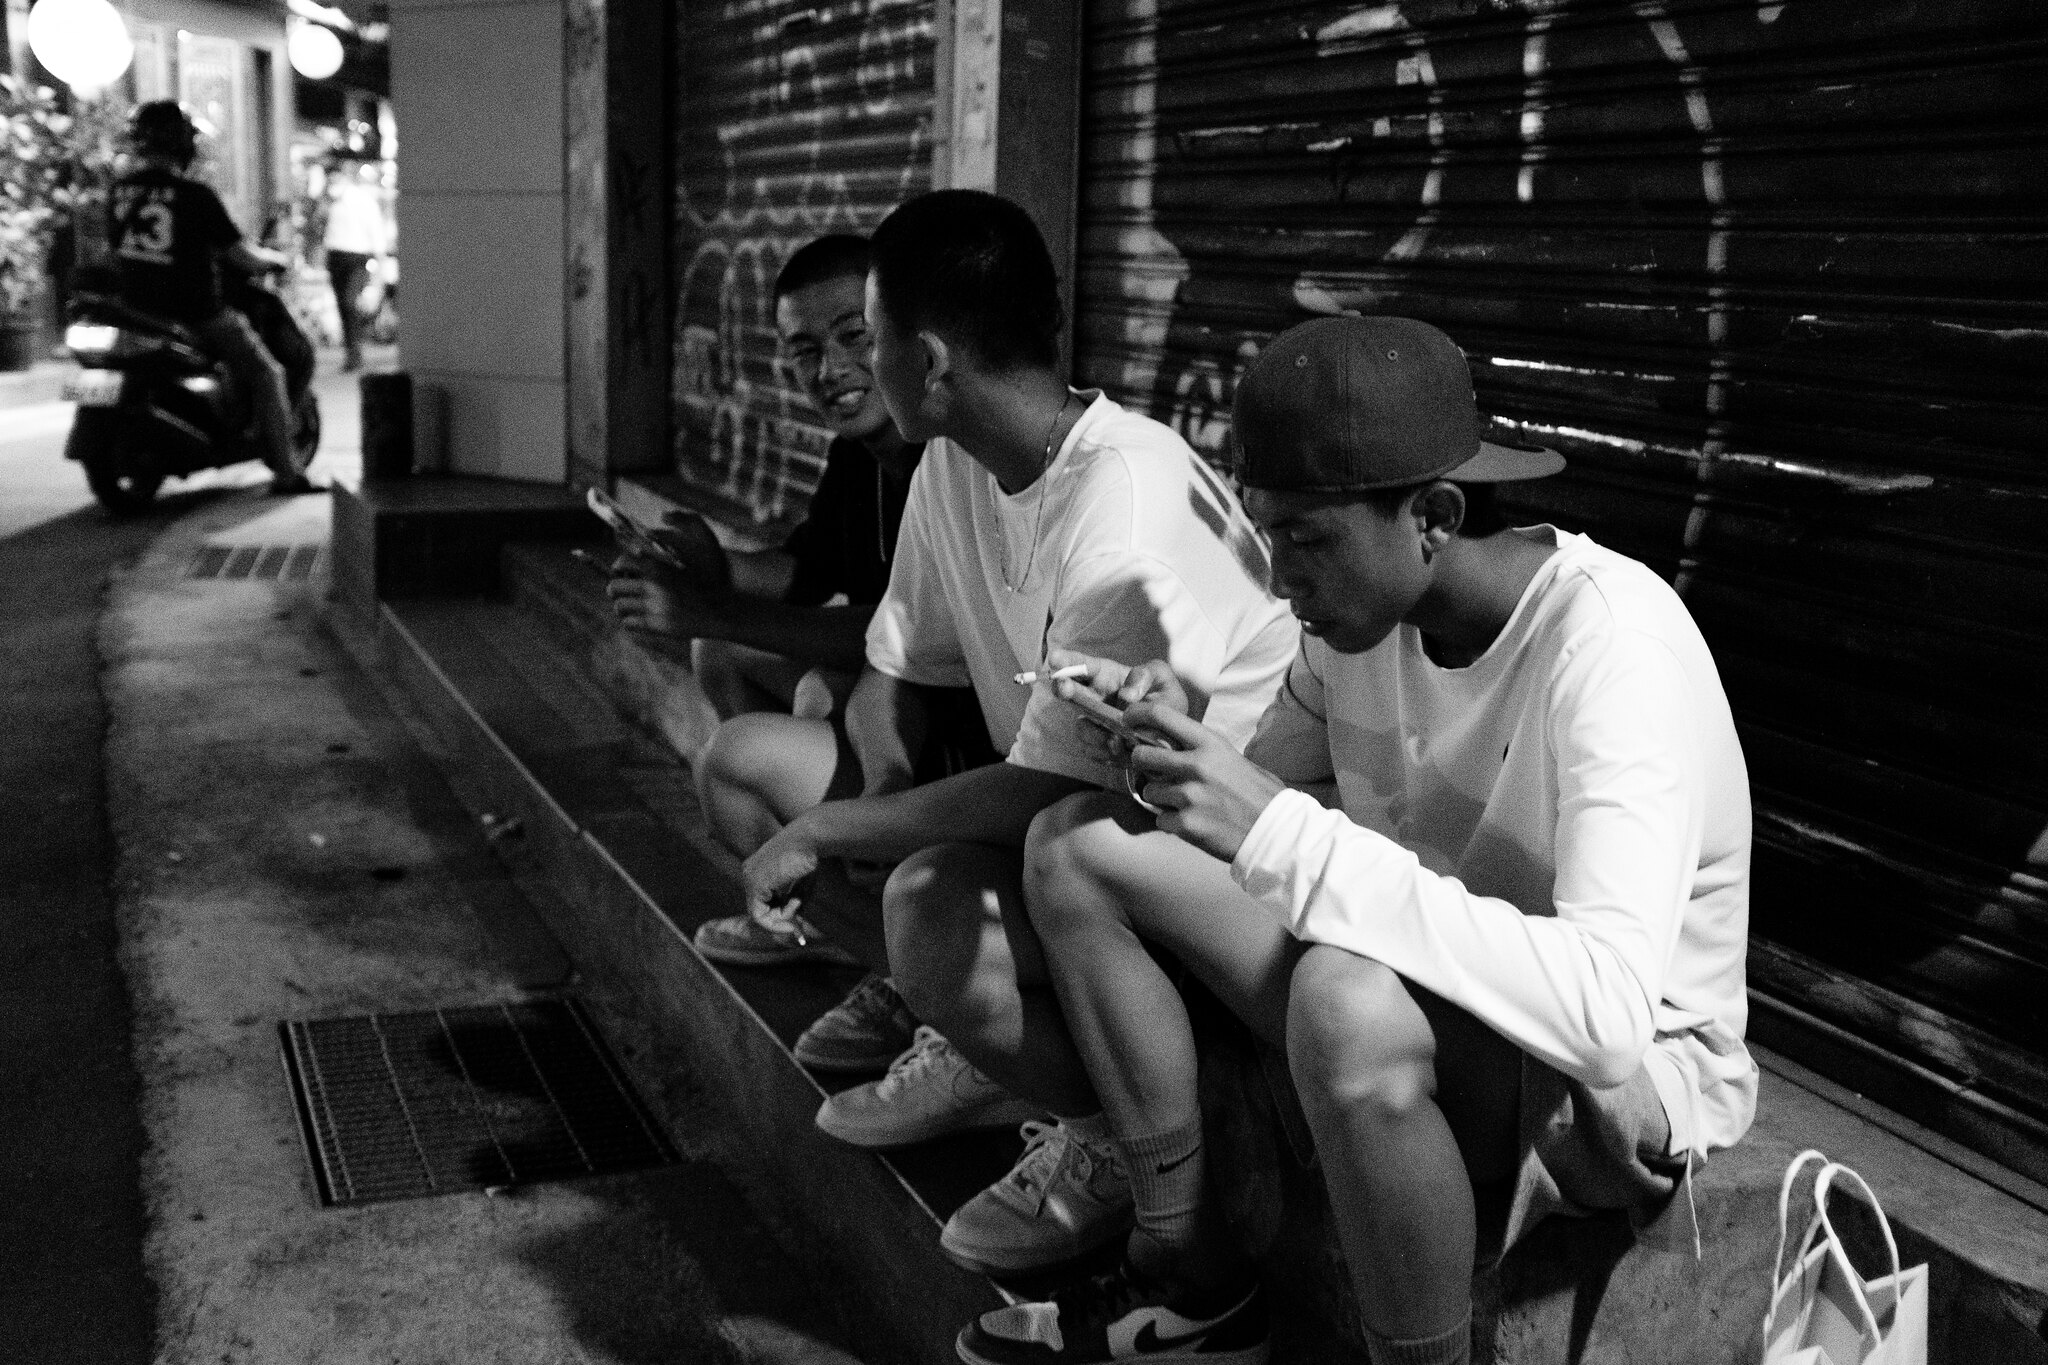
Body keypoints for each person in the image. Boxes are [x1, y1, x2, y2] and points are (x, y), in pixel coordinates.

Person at [951, 315, 1758, 1365]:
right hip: (1433, 994)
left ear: (1431, 516)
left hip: (1623, 1080)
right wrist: (1166, 734)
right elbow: (1248, 786)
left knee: (1341, 998)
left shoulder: (1610, 646)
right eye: (1265, 531)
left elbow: (1604, 1014)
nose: (1279, 577)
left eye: (1306, 539)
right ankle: (1191, 1274)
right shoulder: (1355, 624)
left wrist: (1278, 829)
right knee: (1077, 844)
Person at [740, 190, 1298, 1274]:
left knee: (935, 884)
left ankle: (1115, 1148)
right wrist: (870, 792)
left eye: (870, 332)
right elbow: (895, 672)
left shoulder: (1121, 505)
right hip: (1081, 836)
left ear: (929, 357)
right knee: (904, 869)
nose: (847, 364)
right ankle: (1006, 1058)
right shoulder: (956, 462)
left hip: (1220, 873)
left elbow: (1049, 793)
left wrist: (839, 831)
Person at [608, 234, 985, 1073]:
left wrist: (717, 604)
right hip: (901, 702)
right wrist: (709, 568)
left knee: (731, 760)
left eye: (855, 337)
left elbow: (904, 636)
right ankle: (820, 921)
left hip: (962, 735)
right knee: (721, 650)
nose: (831, 369)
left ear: (912, 336)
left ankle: (914, 985)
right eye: (806, 350)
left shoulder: (956, 454)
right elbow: (814, 574)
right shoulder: (868, 451)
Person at [108, 102, 311, 494]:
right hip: (195, 311)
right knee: (269, 374)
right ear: (183, 143)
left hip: (137, 310)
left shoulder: (120, 191)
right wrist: (275, 260)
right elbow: (241, 256)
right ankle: (288, 473)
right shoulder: (193, 195)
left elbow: (117, 248)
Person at [322, 158, 389, 372]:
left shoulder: (360, 201)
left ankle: (355, 351)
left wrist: (379, 264)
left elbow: (375, 235)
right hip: (338, 255)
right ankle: (352, 351)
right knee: (344, 304)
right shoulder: (333, 203)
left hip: (355, 257)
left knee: (348, 302)